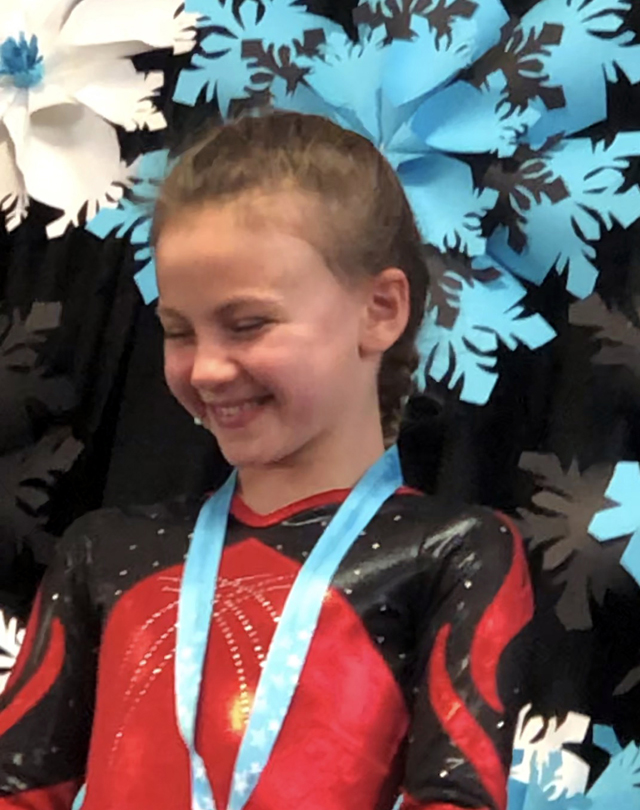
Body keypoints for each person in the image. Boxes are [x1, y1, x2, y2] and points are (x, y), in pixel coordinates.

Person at [0, 112, 533, 810]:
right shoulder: (104, 551)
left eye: (247, 324)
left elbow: (456, 798)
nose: (207, 369)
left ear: (380, 309)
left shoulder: (451, 553)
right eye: (179, 332)